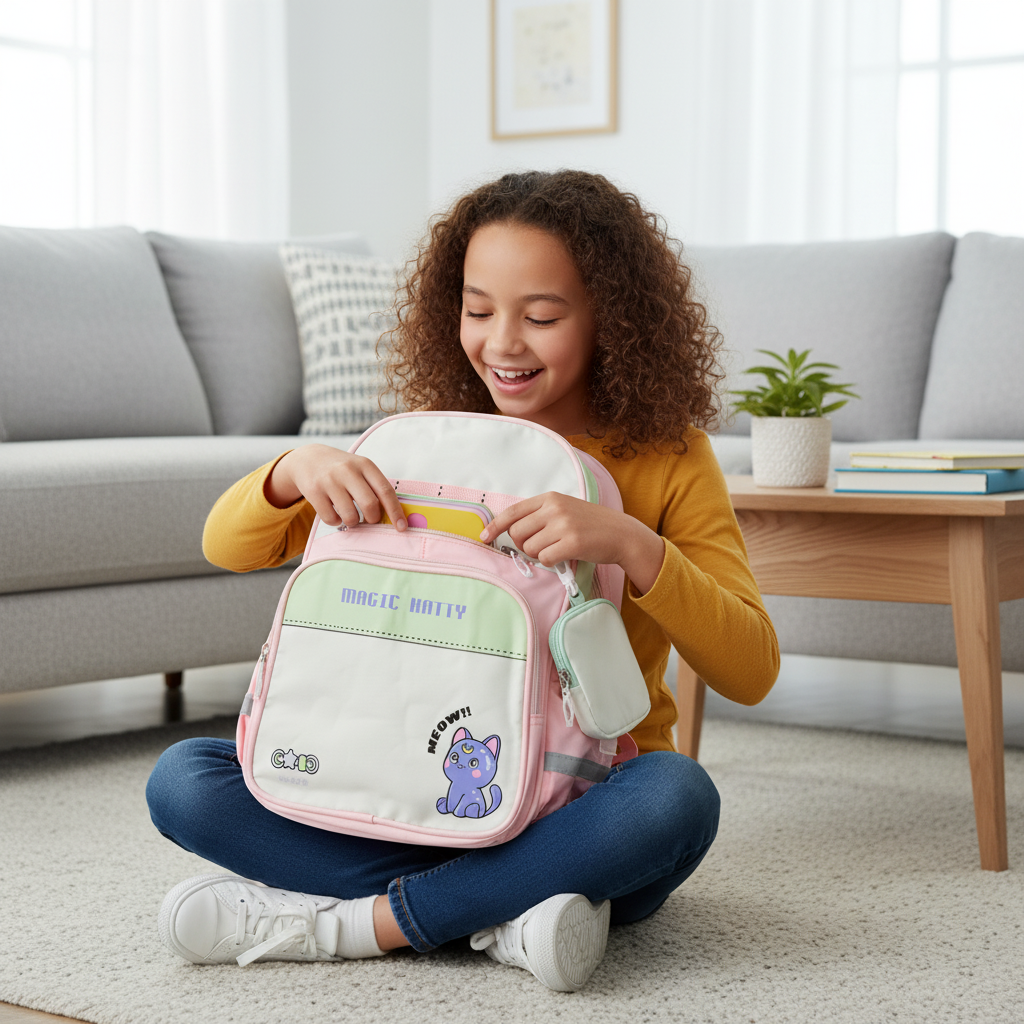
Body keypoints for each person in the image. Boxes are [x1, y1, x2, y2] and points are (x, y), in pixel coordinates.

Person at [147, 170, 779, 992]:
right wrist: (290, 471)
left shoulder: (668, 456)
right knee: (183, 782)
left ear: (610, 318)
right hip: (388, 787)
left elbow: (752, 667)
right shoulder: (423, 443)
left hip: (576, 807)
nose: (503, 343)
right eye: (478, 311)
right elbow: (225, 544)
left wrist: (632, 545)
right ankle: (501, 915)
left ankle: (359, 923)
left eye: (541, 316)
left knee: (676, 802)